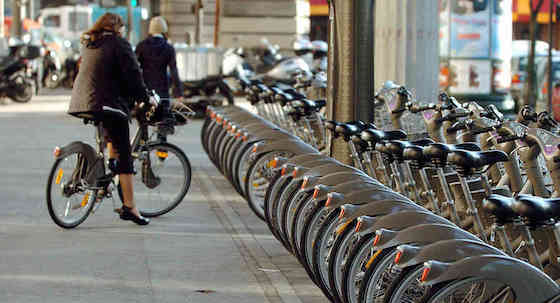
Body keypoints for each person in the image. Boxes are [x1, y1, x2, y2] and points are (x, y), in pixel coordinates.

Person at [68, 12, 151, 225]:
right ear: (117, 27)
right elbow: (134, 76)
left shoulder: (91, 44)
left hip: (81, 102)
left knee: (113, 134)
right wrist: (145, 98)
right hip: (105, 104)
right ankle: (130, 207)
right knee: (125, 152)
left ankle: (108, 173)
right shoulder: (119, 44)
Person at [135, 16, 183, 141]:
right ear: (164, 30)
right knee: (163, 121)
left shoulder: (141, 46)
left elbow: (134, 68)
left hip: (145, 92)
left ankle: (143, 144)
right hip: (162, 91)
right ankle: (162, 151)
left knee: (143, 119)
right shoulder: (168, 48)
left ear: (150, 30)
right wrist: (178, 92)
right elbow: (173, 70)